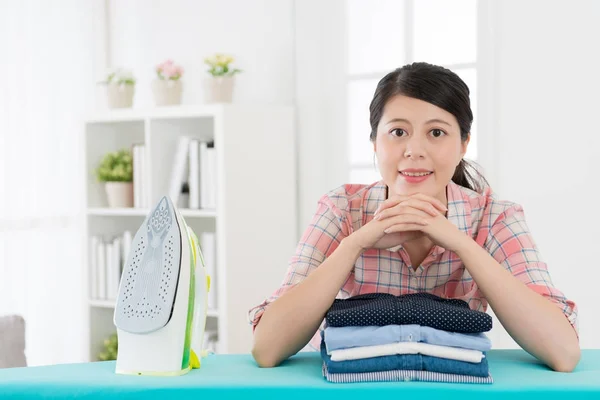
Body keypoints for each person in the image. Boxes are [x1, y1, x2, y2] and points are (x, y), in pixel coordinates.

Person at [248, 62, 580, 372]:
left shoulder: (495, 217)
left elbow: (562, 352)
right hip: (349, 385)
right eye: (398, 132)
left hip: (453, 386)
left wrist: (461, 244)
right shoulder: (343, 209)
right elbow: (267, 348)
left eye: (436, 133)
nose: (414, 150)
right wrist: (357, 243)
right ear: (375, 143)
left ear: (463, 143)